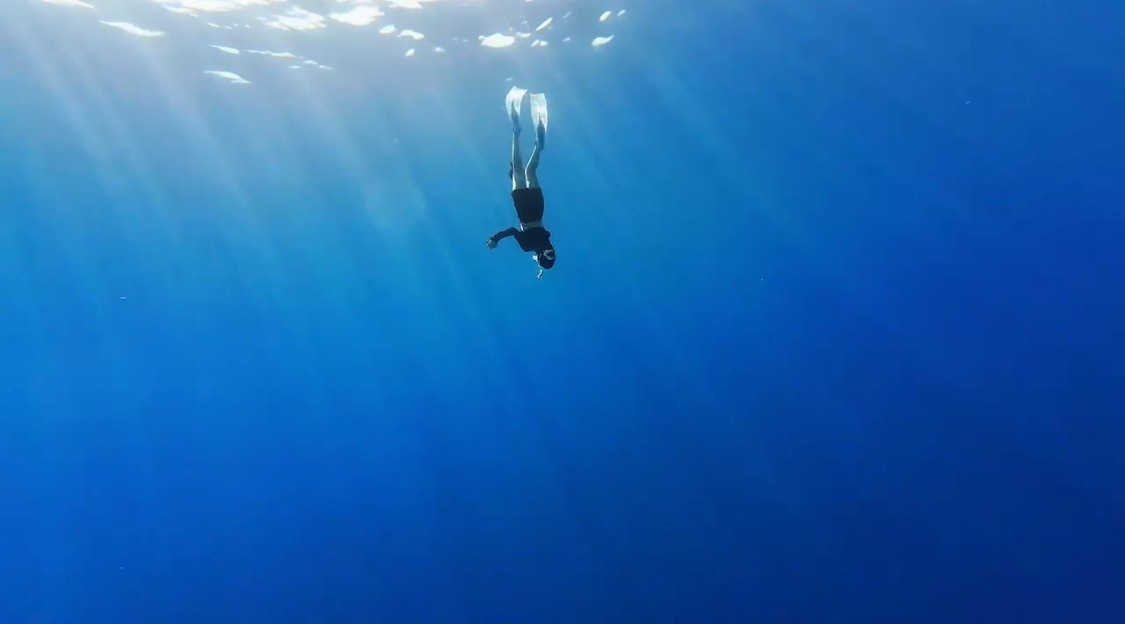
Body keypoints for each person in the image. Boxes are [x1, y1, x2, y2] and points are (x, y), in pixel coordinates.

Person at [487, 88, 555, 279]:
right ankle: (516, 134)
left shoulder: (546, 241)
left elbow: (545, 249)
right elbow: (512, 231)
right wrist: (494, 239)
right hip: (524, 211)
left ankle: (538, 148)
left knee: (530, 171)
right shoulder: (527, 247)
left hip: (538, 209)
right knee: (518, 168)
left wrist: (542, 264)